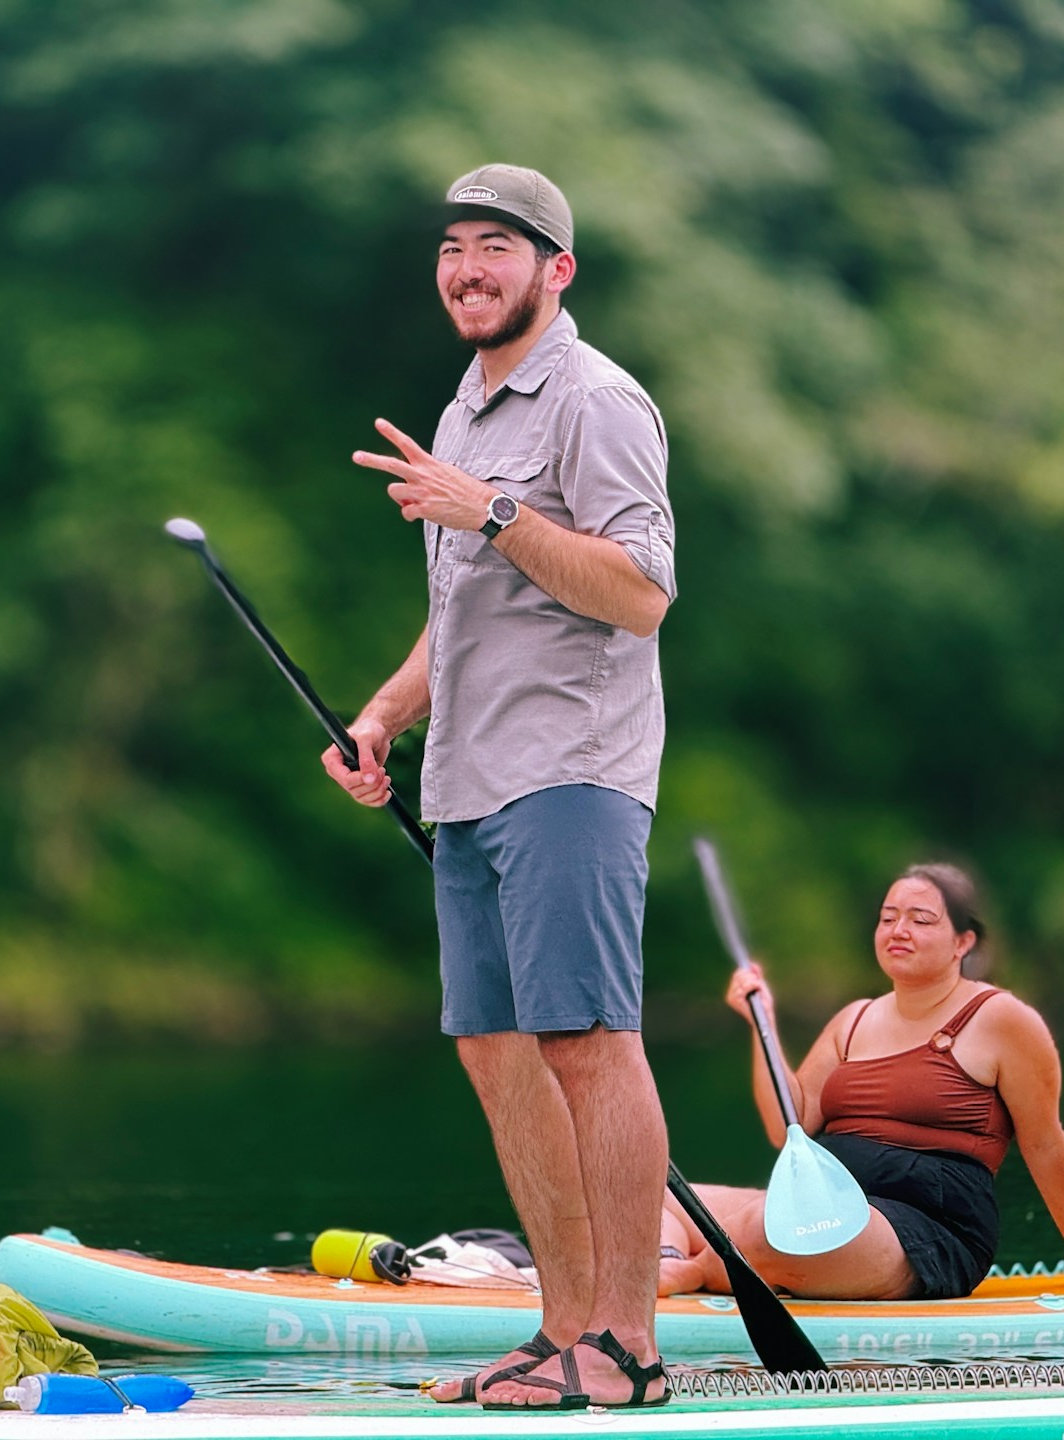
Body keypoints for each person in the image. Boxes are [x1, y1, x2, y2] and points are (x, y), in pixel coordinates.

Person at [322, 164, 676, 1410]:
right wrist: (379, 719)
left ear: (555, 269)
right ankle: (562, 1325)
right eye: (453, 248)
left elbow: (640, 592)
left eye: (497, 249)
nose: (467, 269)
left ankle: (627, 1348)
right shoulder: (465, 408)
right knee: (495, 1051)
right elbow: (456, 609)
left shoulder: (597, 400)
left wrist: (496, 512)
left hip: (572, 772)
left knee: (587, 1041)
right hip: (467, 780)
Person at [658, 863, 1064, 1302]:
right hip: (827, 1201)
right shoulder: (852, 1020)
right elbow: (789, 1123)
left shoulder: (1002, 1019)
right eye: (888, 916)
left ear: (964, 942)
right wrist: (758, 1021)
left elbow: (1044, 1142)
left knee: (764, 1230)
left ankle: (688, 1274)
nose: (899, 929)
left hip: (927, 1229)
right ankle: (666, 1265)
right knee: (657, 1193)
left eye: (921, 919)